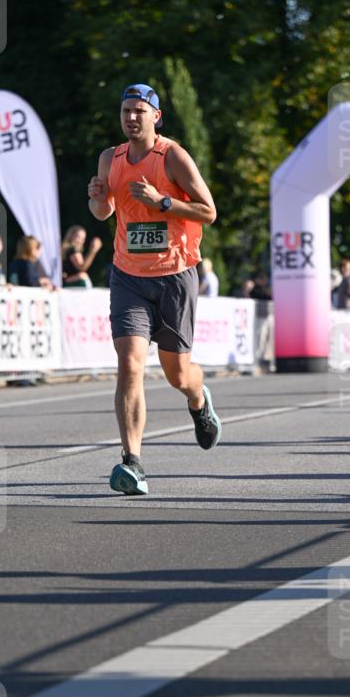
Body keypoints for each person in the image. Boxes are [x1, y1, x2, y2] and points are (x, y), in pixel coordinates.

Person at [88, 82, 220, 496]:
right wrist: (97, 198)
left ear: (156, 117)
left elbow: (208, 212)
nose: (131, 118)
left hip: (174, 276)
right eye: (126, 111)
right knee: (129, 364)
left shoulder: (173, 157)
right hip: (128, 276)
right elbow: (103, 212)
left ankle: (198, 400)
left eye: (139, 112)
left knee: (177, 374)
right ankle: (132, 462)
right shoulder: (110, 158)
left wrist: (162, 201)